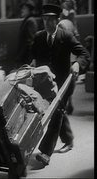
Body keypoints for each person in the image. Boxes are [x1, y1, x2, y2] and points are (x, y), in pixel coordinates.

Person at [30, 2, 90, 166]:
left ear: (57, 21)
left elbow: (84, 54)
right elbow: (32, 57)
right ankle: (69, 139)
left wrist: (78, 63)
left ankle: (45, 152)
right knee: (59, 111)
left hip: (64, 83)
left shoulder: (66, 36)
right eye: (45, 20)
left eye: (51, 20)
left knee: (56, 113)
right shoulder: (39, 37)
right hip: (46, 85)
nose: (47, 24)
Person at [15, 0, 38, 67]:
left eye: (24, 8)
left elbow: (30, 42)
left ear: (29, 10)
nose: (22, 10)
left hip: (27, 58)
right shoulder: (27, 20)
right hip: (24, 57)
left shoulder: (30, 21)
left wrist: (20, 57)